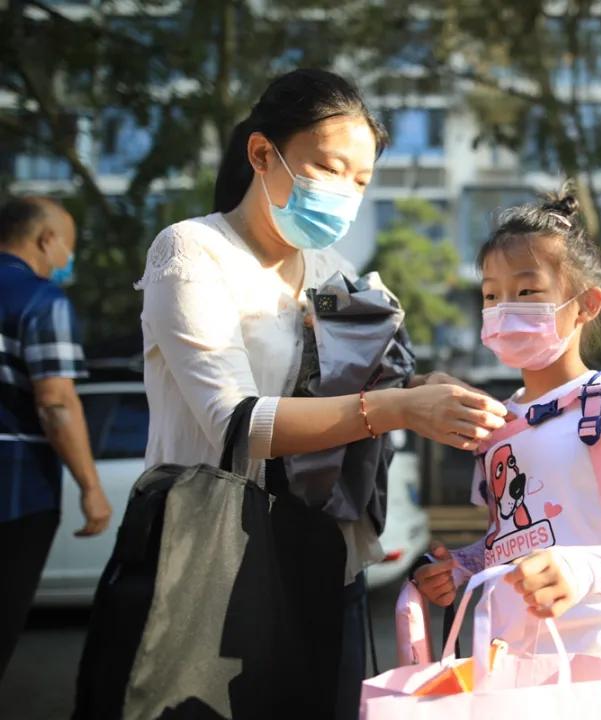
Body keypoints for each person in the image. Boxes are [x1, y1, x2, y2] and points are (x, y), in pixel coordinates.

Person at [134, 68, 507, 719]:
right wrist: (395, 408)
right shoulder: (191, 253)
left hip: (325, 557)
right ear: (261, 153)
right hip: (209, 560)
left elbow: (367, 383)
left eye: (360, 181)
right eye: (329, 168)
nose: (344, 193)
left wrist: (422, 388)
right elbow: (237, 425)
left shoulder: (336, 274)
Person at [414, 189, 601, 674]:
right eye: (491, 294)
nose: (503, 308)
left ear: (586, 305)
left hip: (598, 674)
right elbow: (514, 540)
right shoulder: (495, 428)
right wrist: (463, 567)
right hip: (501, 674)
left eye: (527, 291)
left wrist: (584, 569)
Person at [0, 196, 112, 681]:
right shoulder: (40, 299)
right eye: (69, 245)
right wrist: (90, 487)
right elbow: (55, 402)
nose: (69, 258)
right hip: (15, 494)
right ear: (46, 239)